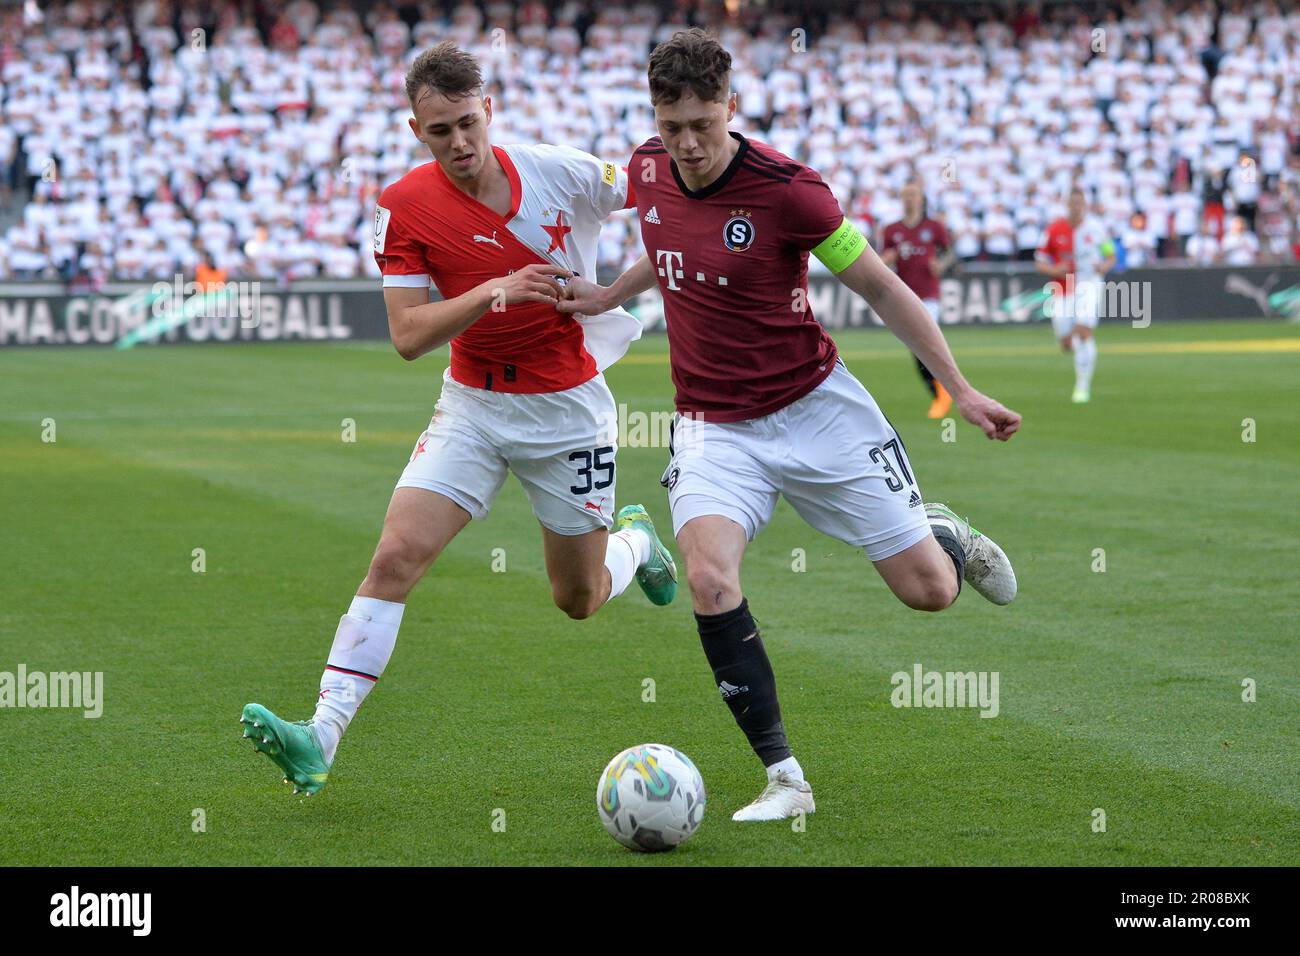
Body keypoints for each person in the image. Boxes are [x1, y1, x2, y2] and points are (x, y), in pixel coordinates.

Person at [561, 29, 1021, 821]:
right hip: (714, 426)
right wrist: (609, 294)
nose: (689, 145)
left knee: (930, 594)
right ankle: (784, 777)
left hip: (818, 410)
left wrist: (961, 389)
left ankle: (942, 536)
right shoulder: (646, 168)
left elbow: (881, 287)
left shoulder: (793, 191)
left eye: (704, 125)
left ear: (732, 107)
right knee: (708, 578)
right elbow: (666, 246)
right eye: (673, 129)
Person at [240, 42, 678, 797]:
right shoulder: (405, 207)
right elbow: (409, 337)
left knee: (577, 600)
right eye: (440, 131)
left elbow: (662, 195)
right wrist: (494, 291)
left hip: (567, 411)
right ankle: (320, 736)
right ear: (417, 129)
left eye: (469, 123)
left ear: (490, 109)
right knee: (395, 556)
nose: (460, 143)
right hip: (470, 405)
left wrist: (615, 286)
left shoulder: (561, 172)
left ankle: (636, 543)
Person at [879, 182, 957, 419]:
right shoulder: (892, 230)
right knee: (918, 347)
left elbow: (951, 252)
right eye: (905, 195)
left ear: (921, 199)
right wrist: (887, 259)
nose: (908, 199)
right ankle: (941, 391)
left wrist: (941, 265)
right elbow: (882, 263)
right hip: (904, 297)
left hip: (929, 295)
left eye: (912, 195)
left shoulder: (934, 227)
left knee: (923, 343)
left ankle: (943, 393)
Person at [1035, 187, 1115, 404]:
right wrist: (1053, 270)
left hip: (1089, 283)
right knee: (1066, 340)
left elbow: (1110, 254)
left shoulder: (1096, 228)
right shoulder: (1054, 229)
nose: (1076, 207)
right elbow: (1039, 260)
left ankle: (1082, 386)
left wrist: (1104, 266)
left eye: (1080, 203)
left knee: (1083, 331)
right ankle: (1071, 343)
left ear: (1085, 205)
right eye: (1073, 203)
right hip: (1063, 288)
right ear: (1066, 204)